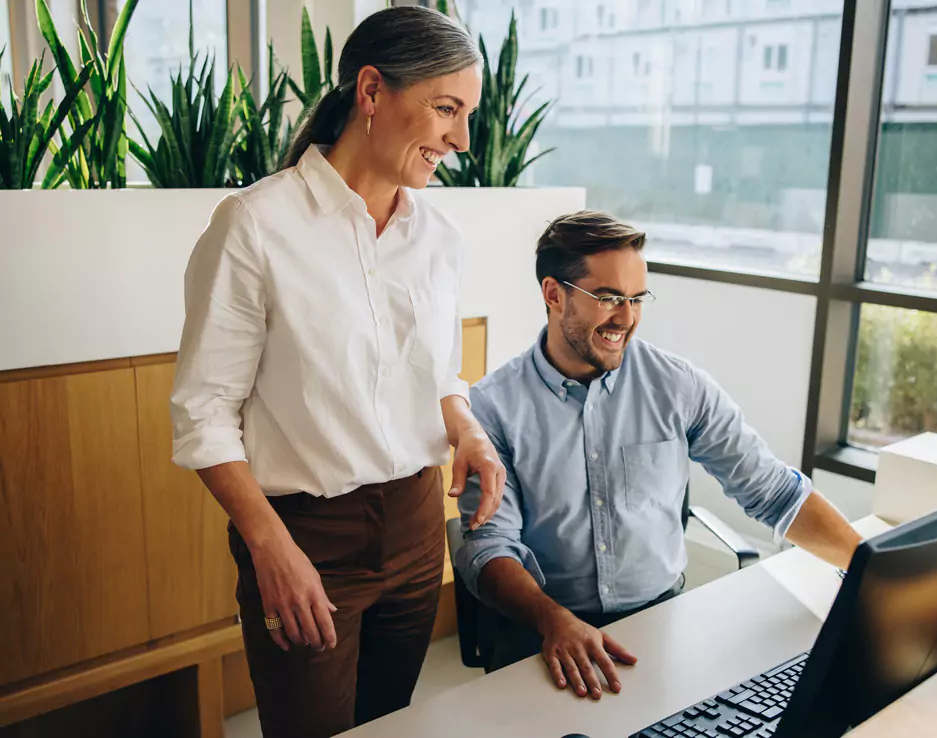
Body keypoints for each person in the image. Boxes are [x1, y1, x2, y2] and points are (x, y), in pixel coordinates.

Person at [170, 8, 506, 737]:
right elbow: (202, 416)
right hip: (306, 535)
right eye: (447, 109)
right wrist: (271, 548)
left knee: (387, 724)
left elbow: (441, 374)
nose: (460, 139)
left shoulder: (440, 238)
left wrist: (469, 428)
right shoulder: (254, 227)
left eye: (467, 114)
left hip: (418, 527)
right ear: (372, 91)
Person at [455, 211, 862, 702]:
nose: (626, 318)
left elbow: (771, 490)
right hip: (542, 634)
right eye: (607, 298)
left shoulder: (677, 385)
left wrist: (869, 570)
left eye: (635, 298)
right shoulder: (494, 405)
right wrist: (552, 620)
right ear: (554, 294)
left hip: (659, 626)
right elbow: (490, 547)